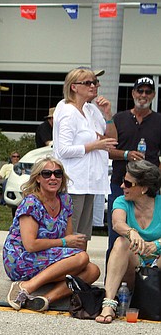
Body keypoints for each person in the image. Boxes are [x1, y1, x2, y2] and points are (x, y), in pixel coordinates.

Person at [4, 157, 100, 312]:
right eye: (47, 174)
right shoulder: (31, 203)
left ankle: (44, 299)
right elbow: (30, 245)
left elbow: (69, 245)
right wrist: (63, 242)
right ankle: (25, 286)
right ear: (38, 179)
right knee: (82, 258)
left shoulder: (65, 200)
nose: (53, 178)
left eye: (57, 173)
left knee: (92, 270)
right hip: (21, 257)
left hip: (47, 256)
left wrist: (70, 243)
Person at [53, 67, 116, 239]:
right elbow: (63, 150)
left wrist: (108, 114)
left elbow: (112, 140)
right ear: (74, 87)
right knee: (70, 234)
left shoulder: (91, 110)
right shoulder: (67, 111)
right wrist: (93, 145)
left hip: (91, 182)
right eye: (89, 82)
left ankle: (81, 265)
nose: (94, 86)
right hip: (74, 182)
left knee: (84, 234)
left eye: (95, 82)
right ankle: (68, 265)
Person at [98, 160, 161, 323]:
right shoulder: (122, 201)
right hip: (134, 265)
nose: (122, 186)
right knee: (121, 242)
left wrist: (157, 244)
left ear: (144, 188)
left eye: (127, 183)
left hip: (158, 263)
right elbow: (118, 223)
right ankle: (109, 304)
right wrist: (131, 232)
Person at [106, 77, 161, 258]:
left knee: (152, 236)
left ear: (153, 95)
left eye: (147, 92)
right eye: (140, 91)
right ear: (133, 93)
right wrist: (126, 154)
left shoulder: (158, 120)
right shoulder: (120, 118)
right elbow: (107, 150)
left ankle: (148, 281)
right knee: (117, 237)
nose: (143, 95)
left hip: (149, 188)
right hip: (120, 185)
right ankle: (110, 283)